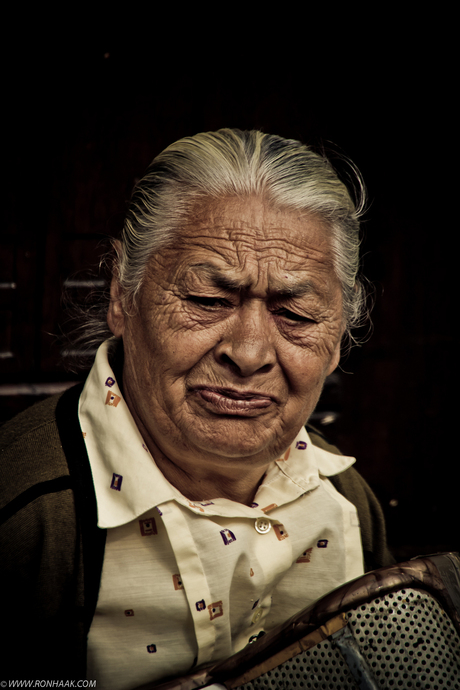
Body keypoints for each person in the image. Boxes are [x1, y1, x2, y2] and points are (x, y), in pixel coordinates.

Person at [0, 129, 393, 686]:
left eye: (297, 316)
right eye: (207, 301)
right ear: (122, 295)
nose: (250, 353)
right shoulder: (30, 522)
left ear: (338, 339)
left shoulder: (346, 502)